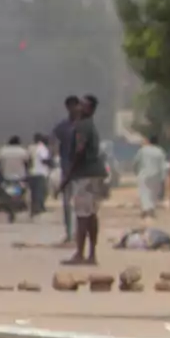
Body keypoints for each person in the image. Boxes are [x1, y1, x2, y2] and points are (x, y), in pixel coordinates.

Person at [61, 95, 106, 265]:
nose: (78, 108)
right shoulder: (90, 125)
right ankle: (92, 254)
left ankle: (80, 254)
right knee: (91, 215)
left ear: (89, 109)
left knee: (81, 216)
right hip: (96, 174)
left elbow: (80, 149)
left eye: (82, 105)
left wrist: (69, 174)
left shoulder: (82, 126)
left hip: (85, 175)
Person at [52, 96, 83, 241]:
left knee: (80, 204)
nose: (74, 109)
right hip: (67, 169)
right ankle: (69, 233)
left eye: (76, 106)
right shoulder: (62, 127)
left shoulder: (84, 126)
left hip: (81, 171)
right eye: (71, 106)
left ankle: (78, 233)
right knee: (67, 203)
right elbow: (53, 142)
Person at [0, 136, 30, 220]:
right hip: (20, 177)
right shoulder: (23, 151)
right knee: (23, 192)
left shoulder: (2, 151)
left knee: (1, 192)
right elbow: (27, 164)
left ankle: (2, 205)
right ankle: (22, 204)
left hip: (6, 177)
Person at [133, 135, 168, 218]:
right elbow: (163, 166)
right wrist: (163, 177)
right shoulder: (160, 151)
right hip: (156, 175)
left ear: (149, 141)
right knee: (153, 193)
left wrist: (136, 171)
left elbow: (136, 162)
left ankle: (145, 209)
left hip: (144, 174)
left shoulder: (143, 150)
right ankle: (151, 208)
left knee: (144, 192)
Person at [27, 133, 51, 217]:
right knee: (42, 191)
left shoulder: (30, 147)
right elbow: (44, 159)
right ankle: (39, 207)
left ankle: (34, 209)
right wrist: (50, 163)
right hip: (40, 172)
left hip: (31, 173)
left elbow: (28, 160)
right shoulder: (42, 148)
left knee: (34, 193)